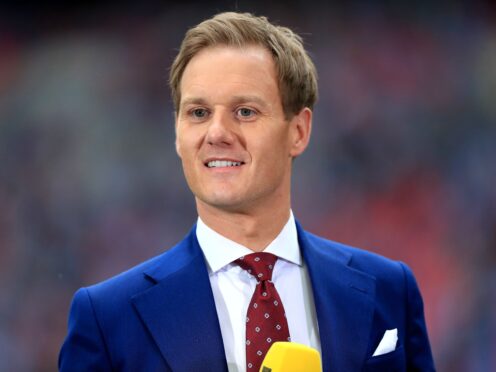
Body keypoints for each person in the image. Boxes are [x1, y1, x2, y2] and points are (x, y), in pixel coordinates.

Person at [59, 12, 435, 372]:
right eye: (199, 113)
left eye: (245, 112)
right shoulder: (108, 318)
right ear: (177, 133)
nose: (217, 133)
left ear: (299, 131)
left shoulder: (389, 290)